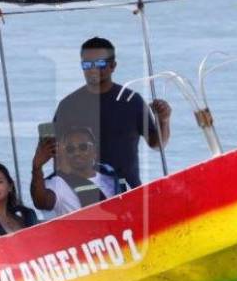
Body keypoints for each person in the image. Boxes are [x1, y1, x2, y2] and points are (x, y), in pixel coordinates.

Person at [53, 36, 171, 189]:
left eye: (100, 64)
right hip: (85, 193)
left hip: (127, 189)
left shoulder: (131, 100)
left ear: (113, 65)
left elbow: (156, 144)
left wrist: (164, 120)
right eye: (87, 64)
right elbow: (55, 153)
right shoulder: (68, 105)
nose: (93, 69)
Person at [30, 126, 123, 217]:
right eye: (70, 149)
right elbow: (41, 202)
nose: (77, 153)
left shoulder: (110, 174)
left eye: (83, 147)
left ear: (94, 151)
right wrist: (37, 168)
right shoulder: (58, 183)